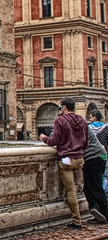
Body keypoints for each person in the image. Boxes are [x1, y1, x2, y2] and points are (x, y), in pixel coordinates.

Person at [39, 97, 89, 228]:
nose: (60, 110)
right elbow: (86, 143)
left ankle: (77, 221)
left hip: (66, 158)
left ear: (64, 108)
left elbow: (53, 141)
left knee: (70, 190)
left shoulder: (60, 121)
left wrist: (44, 138)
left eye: (60, 108)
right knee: (80, 187)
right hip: (79, 158)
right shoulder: (82, 121)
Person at [82, 125, 108, 223]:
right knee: (88, 187)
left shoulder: (79, 127)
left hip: (94, 157)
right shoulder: (83, 126)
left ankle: (104, 213)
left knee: (96, 186)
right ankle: (95, 208)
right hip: (98, 155)